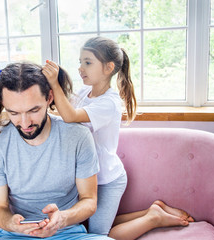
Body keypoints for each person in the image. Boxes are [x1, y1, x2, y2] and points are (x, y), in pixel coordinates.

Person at [42, 36, 194, 239]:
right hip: (88, 177)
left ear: (108, 68)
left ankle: (153, 219)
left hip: (107, 179)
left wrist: (54, 82)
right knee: (88, 225)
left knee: (100, 235)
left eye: (88, 62)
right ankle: (151, 211)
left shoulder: (109, 103)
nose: (81, 68)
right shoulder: (85, 91)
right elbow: (63, 110)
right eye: (80, 62)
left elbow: (70, 116)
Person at [0, 62, 113, 239]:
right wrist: (11, 223)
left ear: (49, 98)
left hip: (67, 233)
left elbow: (89, 201)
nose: (25, 124)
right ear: (3, 104)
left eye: (34, 110)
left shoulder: (78, 136)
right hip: (17, 235)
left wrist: (62, 218)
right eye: (14, 113)